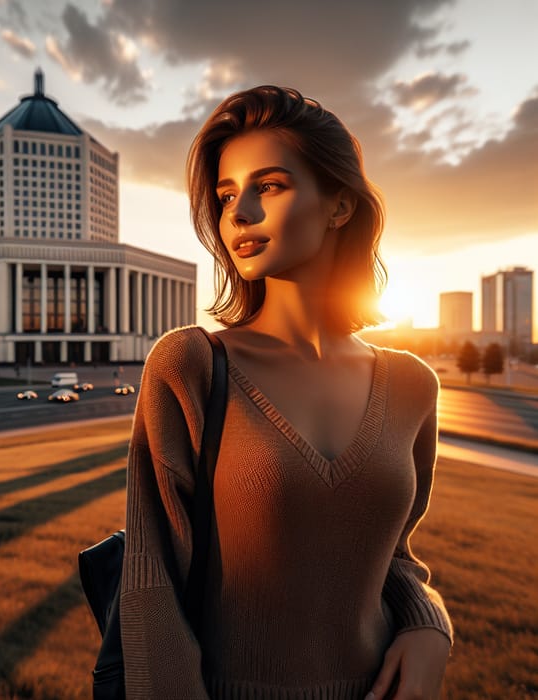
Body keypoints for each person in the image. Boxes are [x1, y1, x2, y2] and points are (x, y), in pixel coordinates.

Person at [120, 86, 452, 699]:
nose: (238, 213)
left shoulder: (412, 386)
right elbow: (150, 585)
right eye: (225, 195)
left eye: (268, 186)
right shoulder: (189, 365)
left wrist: (430, 623)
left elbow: (394, 554)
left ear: (339, 206)